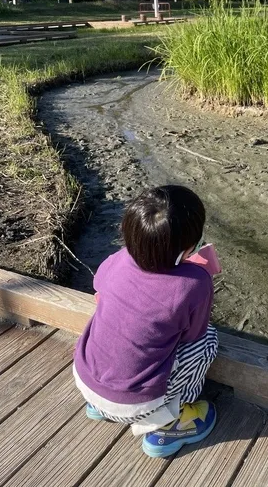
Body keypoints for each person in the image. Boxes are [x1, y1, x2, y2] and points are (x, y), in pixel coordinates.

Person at [73, 185, 219, 458]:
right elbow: (193, 335)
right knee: (209, 340)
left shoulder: (119, 258)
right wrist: (199, 278)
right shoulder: (195, 283)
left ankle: (99, 407)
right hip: (135, 405)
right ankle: (169, 425)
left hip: (85, 381)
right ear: (189, 248)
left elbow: (99, 288)